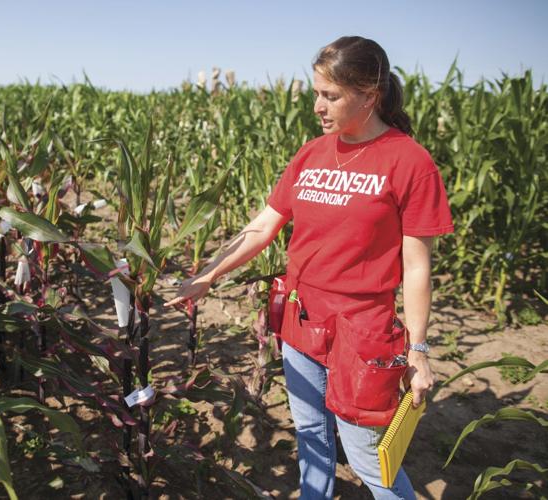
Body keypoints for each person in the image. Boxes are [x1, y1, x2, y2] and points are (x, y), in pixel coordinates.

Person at [164, 36, 454, 499]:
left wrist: (418, 349)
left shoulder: (409, 162)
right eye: (315, 92)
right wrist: (208, 275)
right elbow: (263, 227)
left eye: (331, 96)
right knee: (312, 440)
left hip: (361, 333)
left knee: (366, 457)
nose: (318, 106)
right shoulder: (312, 153)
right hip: (301, 321)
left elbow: (417, 267)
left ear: (370, 95)